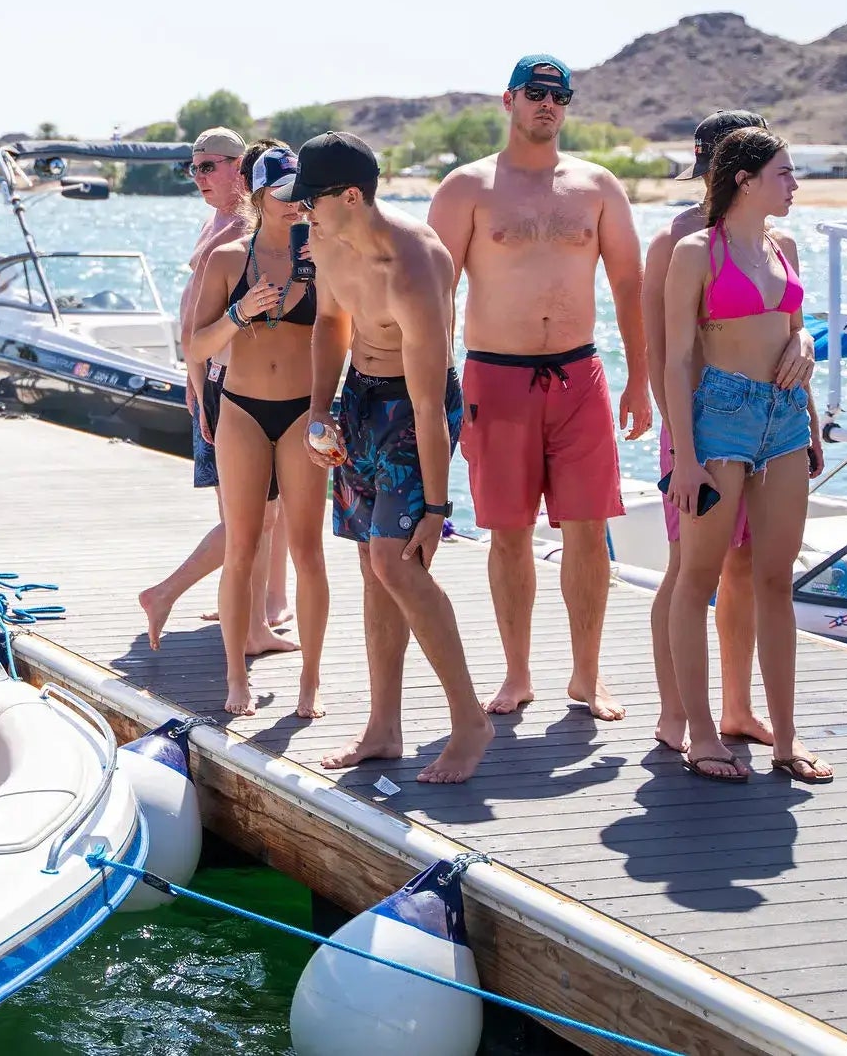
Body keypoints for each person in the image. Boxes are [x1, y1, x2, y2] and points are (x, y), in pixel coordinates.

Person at [427, 55, 650, 722]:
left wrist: (641, 378)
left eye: (560, 94)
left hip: (579, 375)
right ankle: (518, 673)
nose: (548, 103)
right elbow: (433, 295)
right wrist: (433, 390)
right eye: (536, 93)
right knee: (509, 532)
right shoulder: (467, 188)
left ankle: (587, 675)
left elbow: (630, 285)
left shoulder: (597, 186)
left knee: (589, 528)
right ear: (509, 100)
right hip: (494, 377)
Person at [286, 132, 492, 783]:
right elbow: (328, 324)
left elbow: (432, 407)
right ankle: (385, 726)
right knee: (371, 565)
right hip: (359, 398)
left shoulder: (416, 265)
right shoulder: (321, 238)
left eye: (311, 199)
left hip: (416, 408)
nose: (303, 211)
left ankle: (470, 722)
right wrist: (321, 411)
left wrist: (437, 505)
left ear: (351, 195)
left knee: (395, 563)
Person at [660, 128, 829, 784]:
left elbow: (793, 329)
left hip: (784, 418)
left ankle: (785, 739)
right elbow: (677, 359)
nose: (794, 185)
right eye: (784, 173)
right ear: (745, 179)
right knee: (697, 577)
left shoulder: (782, 246)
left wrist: (810, 365)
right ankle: (701, 734)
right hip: (720, 418)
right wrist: (685, 456)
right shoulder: (696, 252)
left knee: (775, 578)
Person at [185, 143, 330, 717]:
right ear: (258, 197)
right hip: (242, 409)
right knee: (242, 546)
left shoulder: (324, 257)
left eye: (302, 196)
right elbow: (195, 345)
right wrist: (239, 315)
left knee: (308, 551)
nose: (296, 206)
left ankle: (310, 684)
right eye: (283, 195)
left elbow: (345, 333)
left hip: (302, 411)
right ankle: (236, 678)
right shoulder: (228, 259)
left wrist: (329, 410)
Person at [140, 126, 291, 642]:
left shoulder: (244, 232)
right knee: (249, 512)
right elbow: (196, 328)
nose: (198, 176)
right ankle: (244, 607)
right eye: (193, 167)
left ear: (239, 168)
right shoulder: (222, 227)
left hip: (235, 381)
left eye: (209, 166)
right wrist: (196, 380)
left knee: (260, 512)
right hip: (219, 379)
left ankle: (256, 608)